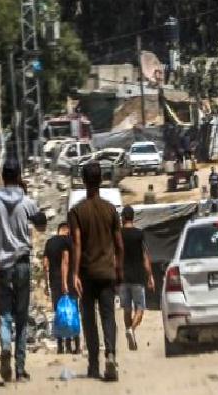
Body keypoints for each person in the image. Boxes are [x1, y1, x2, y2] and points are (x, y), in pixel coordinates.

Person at [0, 160, 46, 382]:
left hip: (1, 266)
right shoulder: (27, 202)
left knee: (4, 314)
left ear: (3, 176)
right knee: (22, 318)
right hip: (22, 264)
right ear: (19, 176)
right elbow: (42, 225)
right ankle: (20, 370)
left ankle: (5, 345)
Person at [69, 162, 124, 381]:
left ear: (84, 181)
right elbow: (119, 245)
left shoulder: (77, 211)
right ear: (101, 180)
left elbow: (77, 244)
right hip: (107, 273)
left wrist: (74, 274)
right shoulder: (111, 210)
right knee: (108, 316)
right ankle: (110, 353)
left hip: (87, 274)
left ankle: (93, 365)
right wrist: (119, 271)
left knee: (89, 320)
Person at [118, 206, 153, 350]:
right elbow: (145, 257)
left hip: (123, 278)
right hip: (138, 277)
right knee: (140, 308)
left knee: (126, 308)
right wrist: (150, 276)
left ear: (122, 218)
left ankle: (129, 333)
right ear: (132, 217)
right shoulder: (139, 234)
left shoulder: (118, 234)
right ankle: (131, 330)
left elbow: (115, 256)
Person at [43, 222, 78, 354]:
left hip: (54, 281)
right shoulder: (69, 241)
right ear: (66, 230)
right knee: (71, 312)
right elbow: (67, 261)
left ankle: (59, 345)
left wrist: (46, 284)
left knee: (58, 313)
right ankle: (70, 344)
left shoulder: (49, 243)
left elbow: (45, 265)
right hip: (69, 281)